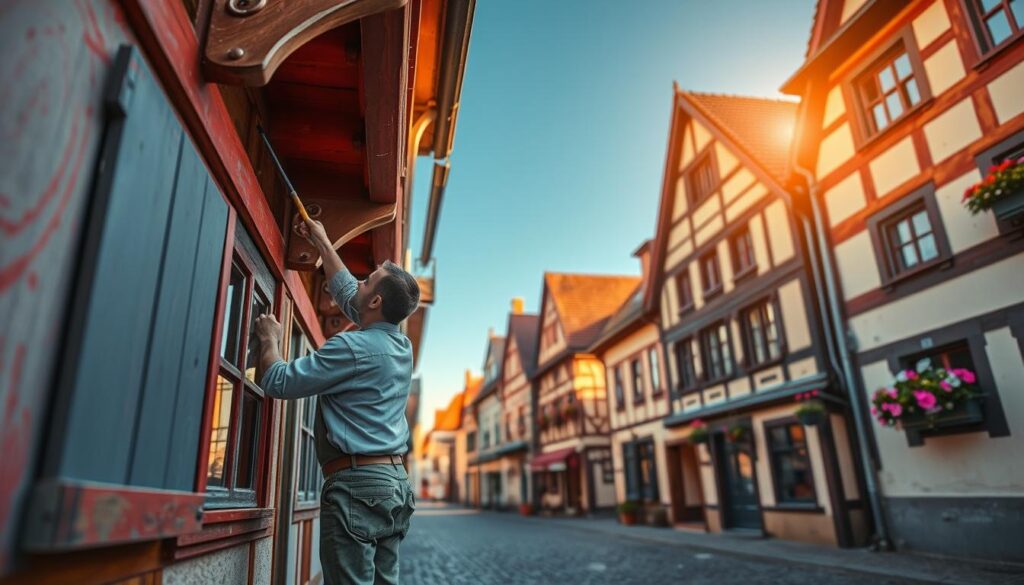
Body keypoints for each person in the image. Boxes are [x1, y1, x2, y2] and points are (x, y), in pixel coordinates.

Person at [253, 218, 419, 585]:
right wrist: (323, 241)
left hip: (359, 485)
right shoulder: (401, 347)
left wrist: (269, 339)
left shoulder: (352, 347)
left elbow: (278, 381)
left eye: (367, 282)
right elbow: (350, 296)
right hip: (394, 484)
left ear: (375, 301)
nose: (357, 284)